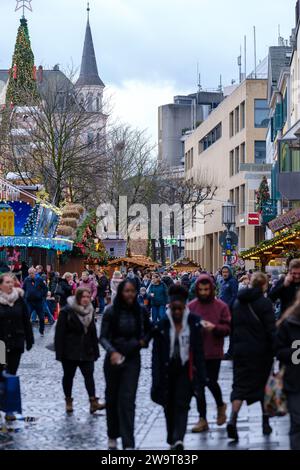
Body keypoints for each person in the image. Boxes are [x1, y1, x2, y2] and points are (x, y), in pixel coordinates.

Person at [151, 285, 206, 450]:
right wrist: (156, 377)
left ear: (184, 307)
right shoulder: (162, 324)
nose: (177, 312)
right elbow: (156, 354)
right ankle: (171, 437)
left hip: (185, 368)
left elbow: (198, 351)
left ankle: (179, 438)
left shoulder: (193, 322)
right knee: (169, 405)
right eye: (174, 309)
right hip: (167, 370)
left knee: (182, 404)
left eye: (179, 309)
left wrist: (201, 376)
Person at [100, 279, 151, 450]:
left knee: (128, 400)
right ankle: (112, 435)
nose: (130, 294)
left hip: (132, 358)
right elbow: (103, 337)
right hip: (113, 358)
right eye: (126, 291)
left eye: (132, 291)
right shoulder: (111, 311)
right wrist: (112, 352)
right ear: (121, 292)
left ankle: (129, 443)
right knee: (112, 398)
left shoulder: (140, 311)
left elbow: (150, 330)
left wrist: (144, 341)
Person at [227, 272, 276, 442]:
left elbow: (232, 328)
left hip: (240, 351)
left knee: (239, 386)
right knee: (263, 385)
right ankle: (265, 422)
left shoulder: (238, 303)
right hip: (260, 352)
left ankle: (233, 418)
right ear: (264, 285)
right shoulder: (264, 303)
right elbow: (271, 330)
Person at [188, 274, 231, 433]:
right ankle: (202, 418)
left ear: (211, 289)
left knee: (210, 381)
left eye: (207, 289)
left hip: (213, 351)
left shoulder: (221, 306)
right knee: (198, 386)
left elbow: (227, 328)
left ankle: (220, 405)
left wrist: (214, 328)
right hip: (196, 352)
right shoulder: (192, 306)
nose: (204, 292)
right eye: (201, 289)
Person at [54, 288, 105, 414]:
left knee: (89, 376)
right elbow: (59, 334)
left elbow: (93, 331)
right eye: (84, 296)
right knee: (68, 377)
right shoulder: (67, 311)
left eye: (88, 296)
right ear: (78, 297)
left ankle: (93, 402)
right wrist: (59, 353)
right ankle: (68, 401)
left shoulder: (90, 310)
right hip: (69, 351)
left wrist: (96, 350)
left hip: (87, 350)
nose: (86, 299)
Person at [0, 274, 34, 420]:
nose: (10, 284)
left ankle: (9, 409)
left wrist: (29, 338)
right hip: (0, 344)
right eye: (7, 282)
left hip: (16, 342)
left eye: (11, 282)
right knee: (1, 374)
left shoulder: (19, 299)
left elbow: (26, 319)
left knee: (11, 375)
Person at [276, 294, 300, 450]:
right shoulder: (289, 323)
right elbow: (278, 350)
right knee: (297, 422)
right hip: (295, 381)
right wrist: (295, 353)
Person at [218, 265, 238, 360]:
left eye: (226, 272)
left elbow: (234, 296)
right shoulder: (223, 282)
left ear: (230, 272)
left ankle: (231, 352)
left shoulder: (232, 281)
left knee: (232, 332)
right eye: (223, 272)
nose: (224, 274)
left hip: (231, 311)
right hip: (224, 311)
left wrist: (227, 306)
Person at [23, 267, 48, 336]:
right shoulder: (26, 279)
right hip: (29, 302)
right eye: (29, 273)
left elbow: (45, 289)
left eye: (32, 273)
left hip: (38, 302)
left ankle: (41, 331)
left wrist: (41, 295)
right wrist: (25, 297)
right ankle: (26, 331)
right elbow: (23, 289)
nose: (31, 274)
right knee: (27, 316)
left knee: (42, 318)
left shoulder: (40, 279)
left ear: (35, 273)